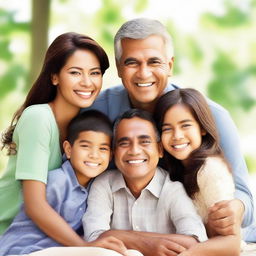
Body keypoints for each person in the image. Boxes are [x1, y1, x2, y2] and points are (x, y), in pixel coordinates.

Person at [87, 18, 254, 238]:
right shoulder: (97, 112)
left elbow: (245, 198)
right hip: (129, 237)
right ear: (118, 68)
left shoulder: (212, 117)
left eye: (154, 61)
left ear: (170, 65)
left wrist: (236, 208)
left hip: (204, 237)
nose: (143, 73)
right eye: (132, 62)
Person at [0, 32, 110, 246]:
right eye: (75, 73)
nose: (87, 82)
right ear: (54, 76)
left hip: (51, 238)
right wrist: (85, 249)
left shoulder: (87, 125)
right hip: (11, 236)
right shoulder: (38, 118)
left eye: (95, 73)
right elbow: (35, 206)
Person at [0, 110, 131, 256]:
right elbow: (40, 216)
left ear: (111, 155)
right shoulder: (58, 182)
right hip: (23, 250)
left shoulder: (98, 188)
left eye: (102, 149)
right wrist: (84, 245)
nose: (94, 155)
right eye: (85, 146)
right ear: (68, 149)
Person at [83, 109, 208, 256]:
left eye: (144, 142)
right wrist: (149, 244)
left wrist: (119, 236)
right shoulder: (104, 184)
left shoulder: (173, 189)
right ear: (114, 152)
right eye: (124, 143)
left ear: (160, 149)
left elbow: (194, 243)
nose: (135, 151)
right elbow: (94, 238)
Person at [154, 88, 240, 255]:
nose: (177, 136)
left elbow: (232, 243)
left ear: (202, 128)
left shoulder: (211, 170)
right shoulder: (171, 169)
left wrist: (186, 253)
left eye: (185, 125)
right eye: (167, 129)